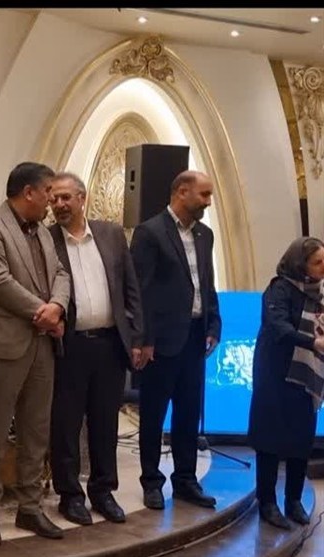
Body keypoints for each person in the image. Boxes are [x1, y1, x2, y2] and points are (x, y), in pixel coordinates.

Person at [0, 162, 71, 546]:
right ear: (29, 192)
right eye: (47, 193)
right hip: (3, 344)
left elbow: (61, 274)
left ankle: (30, 507)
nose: (51, 201)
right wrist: (42, 312)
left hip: (42, 344)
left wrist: (57, 307)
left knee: (36, 430)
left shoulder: (43, 231)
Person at [47, 172, 144, 525]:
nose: (59, 204)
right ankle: (70, 495)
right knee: (66, 425)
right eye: (54, 199)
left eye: (65, 197)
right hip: (68, 347)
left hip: (109, 345)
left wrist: (136, 337)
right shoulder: (45, 240)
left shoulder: (111, 234)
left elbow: (130, 288)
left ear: (82, 198)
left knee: (105, 422)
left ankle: (103, 491)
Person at [130, 170, 221, 511]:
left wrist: (214, 323)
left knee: (188, 413)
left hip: (195, 336)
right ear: (182, 192)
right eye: (204, 194)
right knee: (153, 415)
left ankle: (185, 480)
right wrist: (144, 338)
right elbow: (140, 291)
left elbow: (206, 283)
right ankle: (152, 481)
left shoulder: (204, 234)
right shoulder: (150, 233)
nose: (208, 202)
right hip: (161, 341)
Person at [248, 237, 324, 529]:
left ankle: (294, 500)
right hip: (275, 373)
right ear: (300, 264)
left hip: (306, 376)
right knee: (270, 438)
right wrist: (312, 342)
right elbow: (278, 327)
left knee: (301, 438)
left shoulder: (319, 292)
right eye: (317, 262)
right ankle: (267, 502)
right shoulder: (278, 289)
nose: (323, 267)